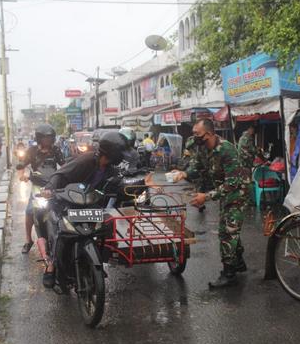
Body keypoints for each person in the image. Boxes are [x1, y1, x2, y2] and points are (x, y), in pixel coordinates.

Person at [40, 132, 151, 288]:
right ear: (112, 153)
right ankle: (51, 265)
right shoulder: (86, 160)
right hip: (66, 203)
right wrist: (49, 189)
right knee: (60, 234)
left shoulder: (110, 169)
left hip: (88, 206)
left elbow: (119, 185)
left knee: (104, 228)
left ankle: (93, 261)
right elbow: (60, 175)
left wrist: (142, 183)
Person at [174, 119, 248, 289]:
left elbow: (233, 183)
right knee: (231, 228)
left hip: (238, 192)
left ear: (210, 134)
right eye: (193, 133)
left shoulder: (227, 149)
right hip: (224, 193)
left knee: (226, 232)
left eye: (197, 134)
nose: (195, 137)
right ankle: (239, 262)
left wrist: (206, 197)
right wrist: (183, 173)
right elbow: (196, 167)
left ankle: (229, 274)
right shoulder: (201, 148)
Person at [16, 124, 65, 256]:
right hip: (37, 186)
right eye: (45, 138)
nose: (47, 141)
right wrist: (22, 175)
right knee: (29, 212)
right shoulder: (31, 151)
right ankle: (28, 240)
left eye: (50, 138)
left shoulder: (56, 150)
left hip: (53, 186)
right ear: (39, 138)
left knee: (62, 210)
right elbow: (22, 164)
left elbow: (65, 165)